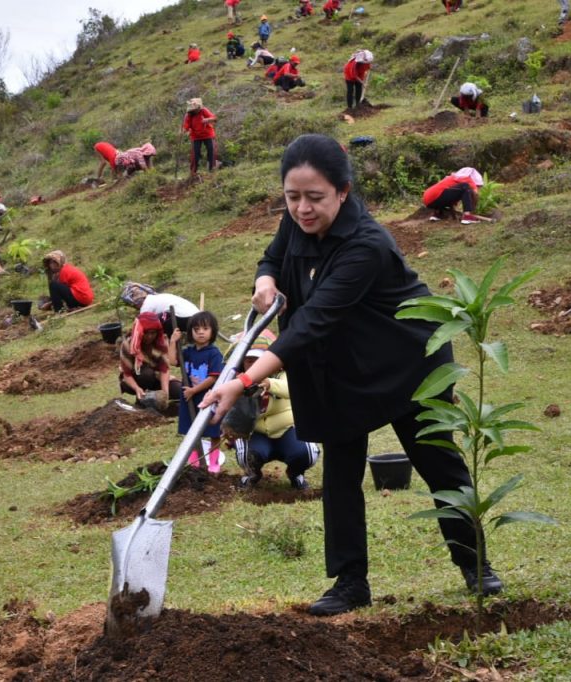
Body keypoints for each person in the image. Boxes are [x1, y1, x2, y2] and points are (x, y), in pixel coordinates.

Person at [200, 134, 503, 617]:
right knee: (341, 471)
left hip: (407, 362)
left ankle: (476, 564)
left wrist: (241, 378)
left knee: (437, 461)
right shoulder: (296, 221)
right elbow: (274, 256)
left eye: (314, 198)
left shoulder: (367, 245)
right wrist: (265, 279)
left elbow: (312, 321)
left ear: (343, 191)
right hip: (339, 364)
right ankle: (350, 583)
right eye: (292, 197)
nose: (302, 209)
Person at [230, 335, 320, 490]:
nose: (254, 365)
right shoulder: (236, 382)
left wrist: (269, 383)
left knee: (307, 453)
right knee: (247, 455)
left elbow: (291, 389)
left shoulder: (282, 375)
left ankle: (296, 473)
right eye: (249, 361)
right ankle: (252, 474)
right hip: (256, 433)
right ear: (242, 363)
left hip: (287, 429)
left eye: (259, 361)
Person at [169, 311, 225, 472]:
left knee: (213, 431)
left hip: (207, 397)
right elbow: (172, 360)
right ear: (191, 332)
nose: (200, 332)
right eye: (196, 329)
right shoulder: (188, 352)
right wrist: (173, 342)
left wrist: (194, 390)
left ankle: (214, 462)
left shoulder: (213, 353)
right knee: (191, 430)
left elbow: (213, 377)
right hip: (189, 398)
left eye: (205, 328)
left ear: (212, 331)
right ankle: (195, 460)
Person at [120, 312, 183, 403]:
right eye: (146, 333)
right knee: (146, 374)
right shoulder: (128, 345)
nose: (149, 336)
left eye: (153, 333)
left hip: (156, 378)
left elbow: (164, 370)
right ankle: (141, 400)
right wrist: (137, 388)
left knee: (179, 390)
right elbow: (127, 374)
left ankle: (155, 398)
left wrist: (165, 393)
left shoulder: (161, 343)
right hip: (136, 380)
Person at [134, 289, 201, 336]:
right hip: (197, 315)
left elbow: (141, 322)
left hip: (185, 317)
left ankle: (168, 343)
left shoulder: (146, 303)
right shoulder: (157, 297)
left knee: (155, 324)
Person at [182, 98, 218, 176]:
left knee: (211, 151)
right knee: (195, 154)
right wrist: (185, 130)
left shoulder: (204, 110)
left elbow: (214, 118)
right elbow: (186, 125)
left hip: (208, 134)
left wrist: (207, 119)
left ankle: (212, 170)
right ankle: (193, 172)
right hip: (195, 136)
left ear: (198, 107)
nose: (193, 111)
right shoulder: (189, 114)